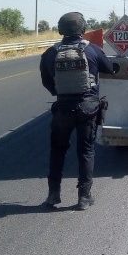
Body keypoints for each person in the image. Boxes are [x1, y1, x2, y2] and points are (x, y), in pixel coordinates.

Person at [40, 12, 113, 210]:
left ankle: (53, 195)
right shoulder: (93, 50)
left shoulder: (50, 53)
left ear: (60, 30)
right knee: (86, 151)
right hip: (87, 109)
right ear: (83, 29)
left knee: (57, 151)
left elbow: (47, 81)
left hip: (62, 109)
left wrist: (60, 92)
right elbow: (109, 69)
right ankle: (84, 197)